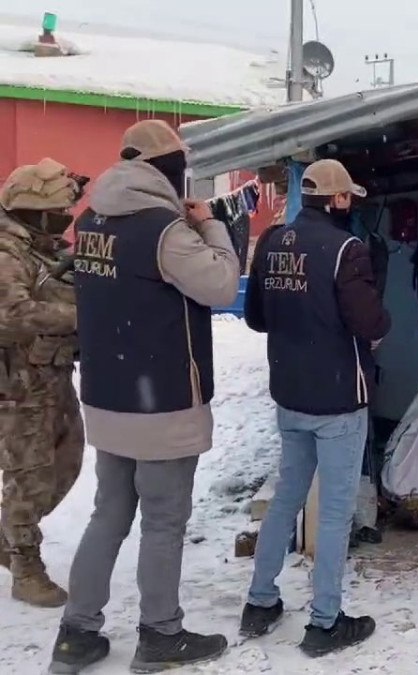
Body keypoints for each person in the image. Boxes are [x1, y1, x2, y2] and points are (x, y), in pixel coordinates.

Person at [52, 119, 240, 673]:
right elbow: (221, 285)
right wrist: (212, 228)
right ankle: (160, 635)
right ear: (166, 169)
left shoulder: (91, 220)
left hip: (109, 396)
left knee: (108, 513)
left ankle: (76, 635)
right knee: (163, 521)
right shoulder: (164, 230)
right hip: (161, 402)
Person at [239, 159, 390, 657]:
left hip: (291, 392)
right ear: (339, 199)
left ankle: (260, 602)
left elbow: (256, 317)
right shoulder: (347, 249)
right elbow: (369, 322)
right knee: (335, 512)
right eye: (350, 197)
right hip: (339, 398)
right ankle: (325, 622)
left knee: (287, 497)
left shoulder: (271, 241)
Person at [0, 159, 87, 609]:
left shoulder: (39, 248)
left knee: (67, 462)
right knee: (28, 474)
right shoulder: (7, 252)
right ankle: (26, 567)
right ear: (33, 212)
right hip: (20, 384)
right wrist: (80, 316)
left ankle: (8, 533)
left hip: (53, 373)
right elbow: (10, 315)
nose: (65, 219)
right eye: (57, 213)